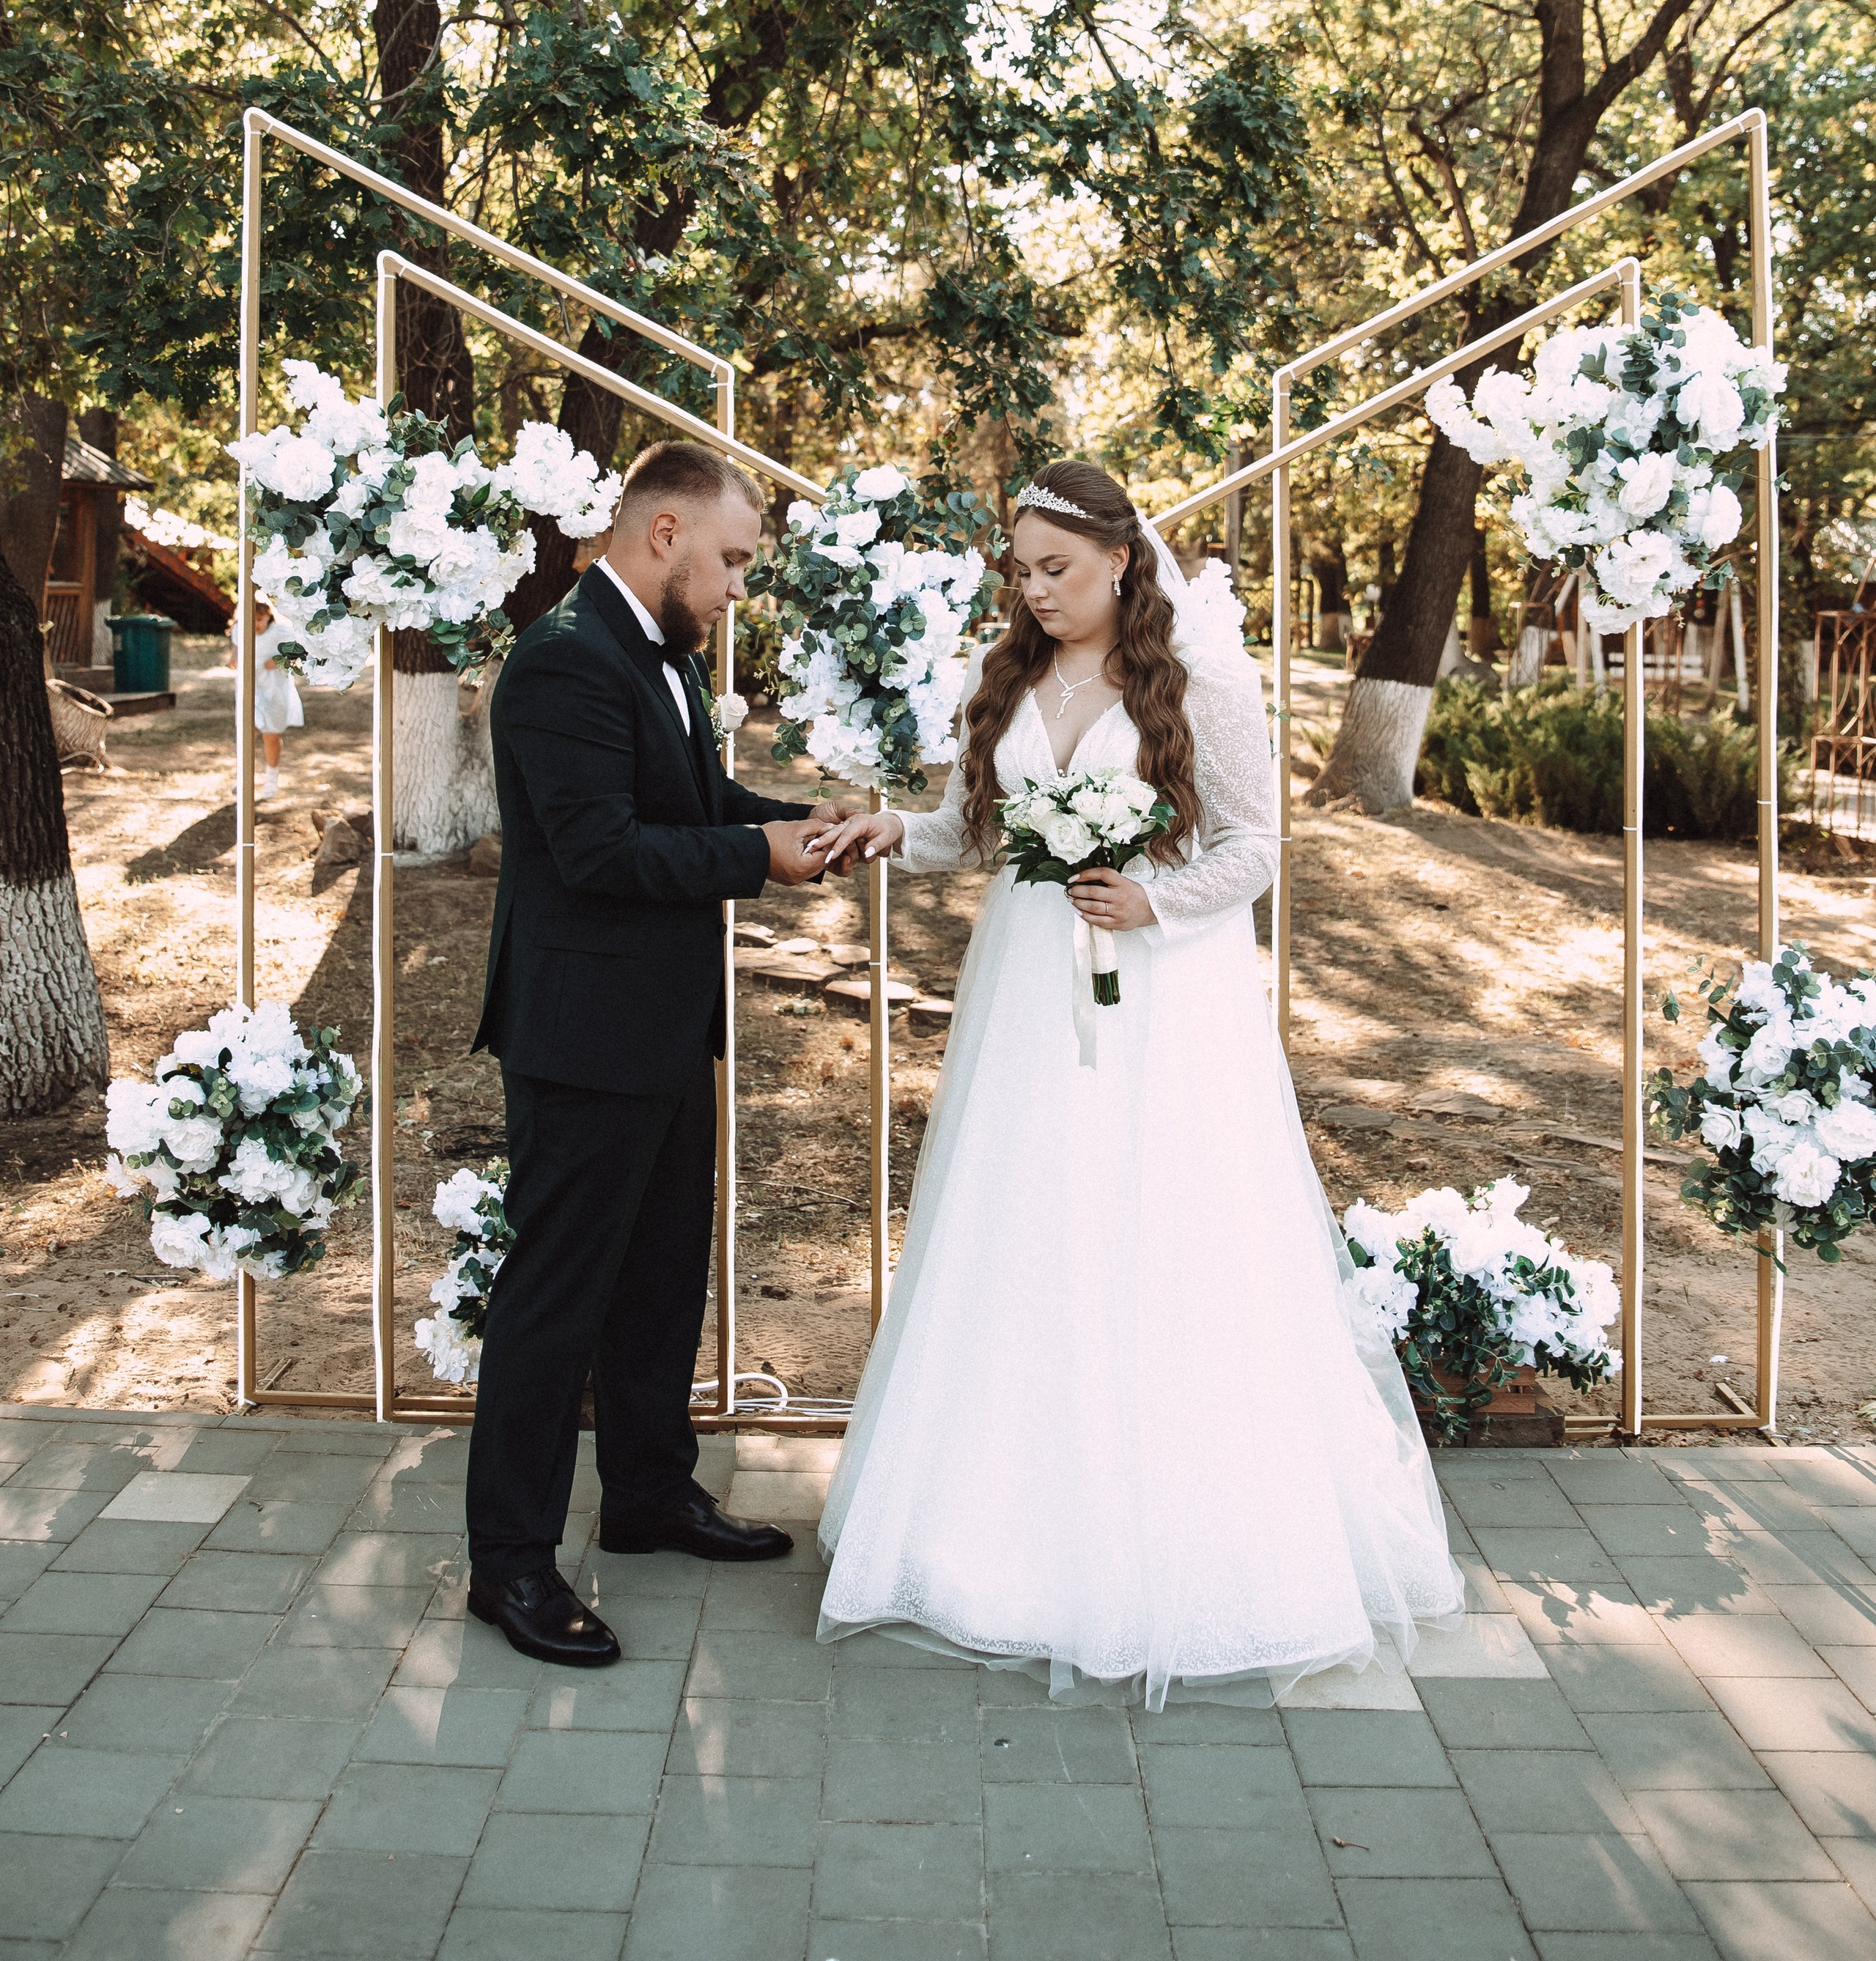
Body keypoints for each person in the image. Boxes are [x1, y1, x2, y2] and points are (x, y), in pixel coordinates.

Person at [806, 459, 1463, 1707]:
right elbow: (972, 832)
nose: (1036, 591)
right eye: (1022, 570)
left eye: (1057, 568)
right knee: (1025, 1225)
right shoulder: (998, 679)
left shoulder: (1200, 682)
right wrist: (898, 829)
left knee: (1159, 1227)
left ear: (1120, 558)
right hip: (1023, 991)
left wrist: (1155, 900)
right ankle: (990, 1529)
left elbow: (1256, 848)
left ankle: (1184, 1526)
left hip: (1161, 995)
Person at [464, 440, 847, 1667]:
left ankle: (644, 1495)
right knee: (554, 1299)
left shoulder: (655, 653)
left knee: (662, 1274)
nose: (739, 586)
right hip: (581, 1037)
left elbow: (684, 799)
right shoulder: (565, 661)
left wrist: (789, 823)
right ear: (665, 533)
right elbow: (602, 853)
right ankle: (510, 1566)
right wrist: (759, 862)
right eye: (731, 559)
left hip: (665, 1025)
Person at [234, 600, 302, 802]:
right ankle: (243, 777)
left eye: (259, 620)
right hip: (250, 688)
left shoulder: (281, 632)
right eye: (251, 620)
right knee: (247, 732)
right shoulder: (240, 629)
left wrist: (280, 659)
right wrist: (234, 659)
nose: (255, 625)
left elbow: (297, 651)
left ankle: (271, 780)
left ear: (269, 617)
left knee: (271, 735)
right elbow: (237, 649)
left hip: (274, 689)